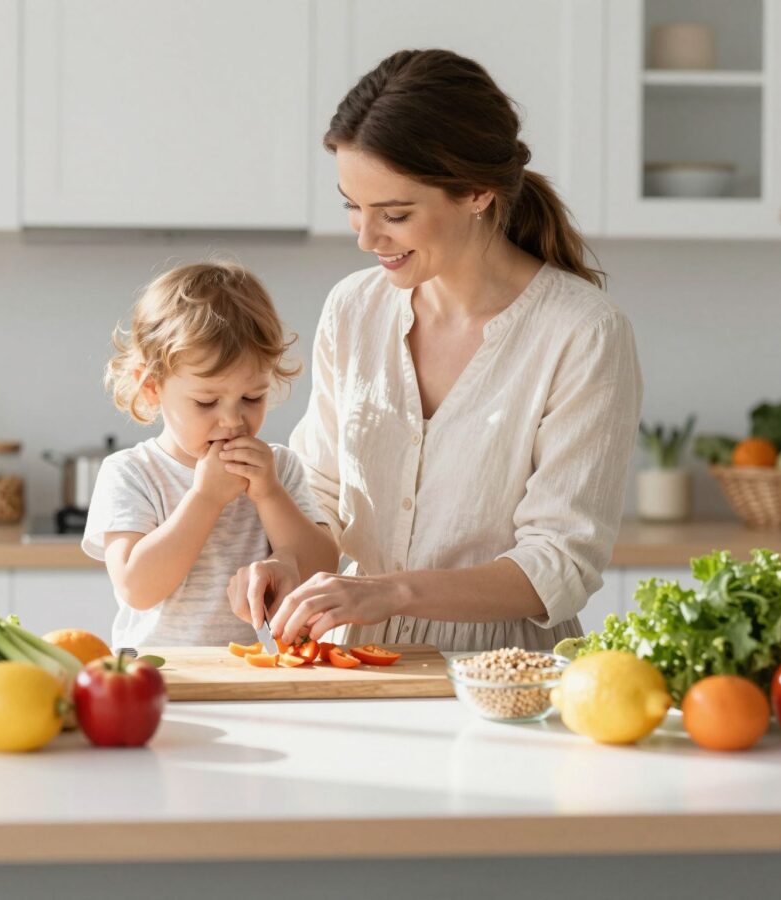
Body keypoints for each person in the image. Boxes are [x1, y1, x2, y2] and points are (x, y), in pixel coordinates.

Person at [227, 49, 643, 652]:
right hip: (354, 663)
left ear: (476, 192)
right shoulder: (353, 309)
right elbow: (322, 491)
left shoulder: (583, 333)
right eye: (352, 206)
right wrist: (289, 560)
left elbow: (560, 563)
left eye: (394, 213)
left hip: (504, 680)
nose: (367, 238)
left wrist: (390, 592)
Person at [83, 262, 339, 648]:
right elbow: (137, 588)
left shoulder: (279, 468)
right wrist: (205, 499)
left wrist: (269, 494)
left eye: (252, 397)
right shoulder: (131, 473)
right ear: (151, 387)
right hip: (163, 679)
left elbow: (321, 570)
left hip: (257, 674)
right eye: (206, 402)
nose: (233, 420)